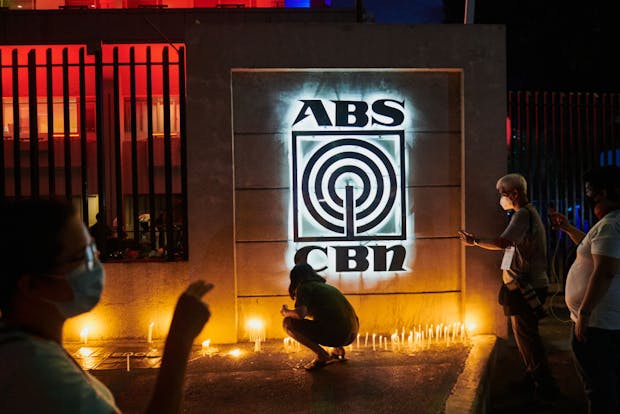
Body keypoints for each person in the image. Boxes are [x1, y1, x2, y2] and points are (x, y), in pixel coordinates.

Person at [0, 198, 213, 414]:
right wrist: (179, 341)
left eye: (93, 249)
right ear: (31, 285)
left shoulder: (28, 348)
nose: (95, 262)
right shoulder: (36, 374)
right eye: (81, 257)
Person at [458, 173, 558, 399]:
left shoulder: (523, 215)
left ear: (514, 193)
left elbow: (503, 243)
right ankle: (533, 377)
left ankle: (544, 387)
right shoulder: (524, 215)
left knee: (527, 336)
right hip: (521, 285)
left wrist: (474, 241)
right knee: (524, 335)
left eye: (503, 194)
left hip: (526, 286)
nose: (501, 199)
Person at [550, 165, 620, 414]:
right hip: (602, 323)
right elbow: (590, 246)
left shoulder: (611, 226)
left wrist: (585, 314)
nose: (587, 195)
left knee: (600, 390)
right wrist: (568, 228)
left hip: (599, 325)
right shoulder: (607, 225)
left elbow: (605, 271)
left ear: (604, 192)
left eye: (590, 189)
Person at [280, 263, 359, 371]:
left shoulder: (304, 287)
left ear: (295, 278)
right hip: (352, 334)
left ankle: (322, 356)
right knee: (327, 318)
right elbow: (328, 312)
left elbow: (300, 314)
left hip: (338, 335)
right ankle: (338, 350)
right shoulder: (327, 287)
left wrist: (286, 312)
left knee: (287, 323)